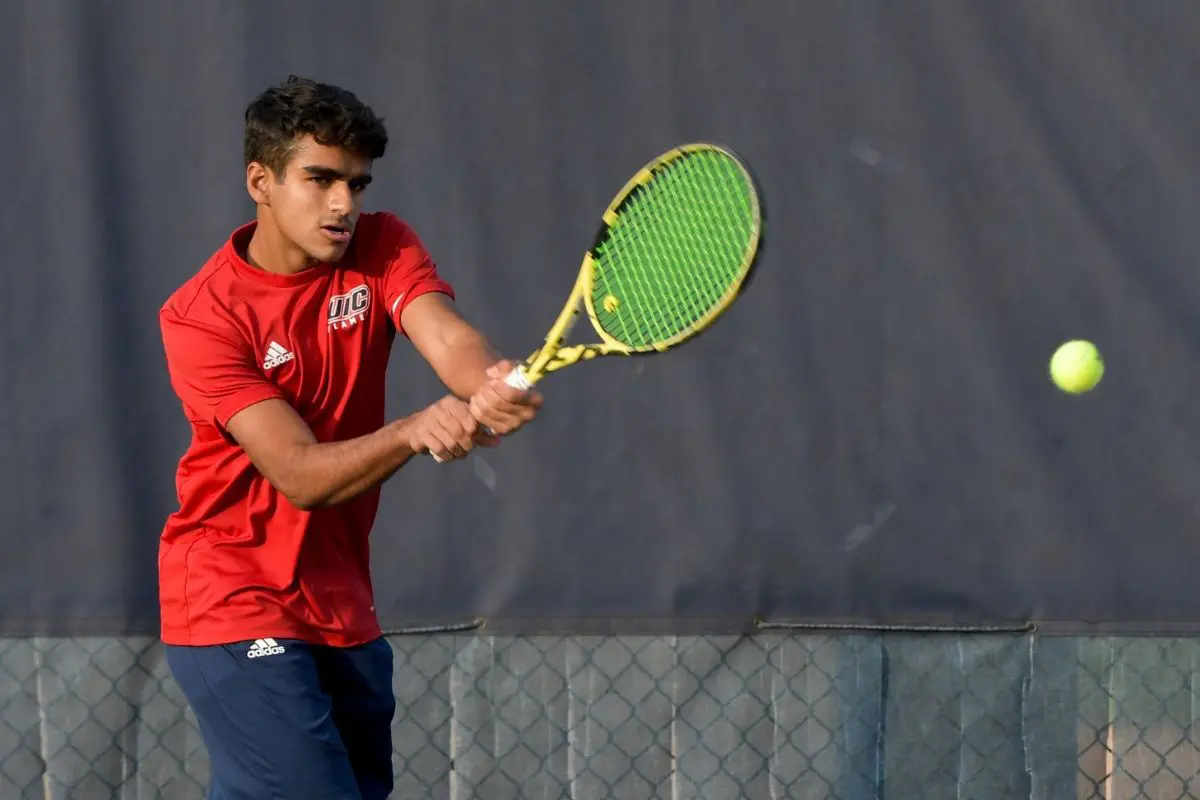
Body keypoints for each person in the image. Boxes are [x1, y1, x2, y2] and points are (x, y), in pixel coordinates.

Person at [156, 76, 542, 799]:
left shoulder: (383, 244)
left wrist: (488, 378)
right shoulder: (201, 317)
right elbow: (297, 472)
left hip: (340, 605)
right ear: (260, 180)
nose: (343, 204)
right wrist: (413, 430)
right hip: (230, 598)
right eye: (321, 179)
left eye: (357, 184)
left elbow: (446, 337)